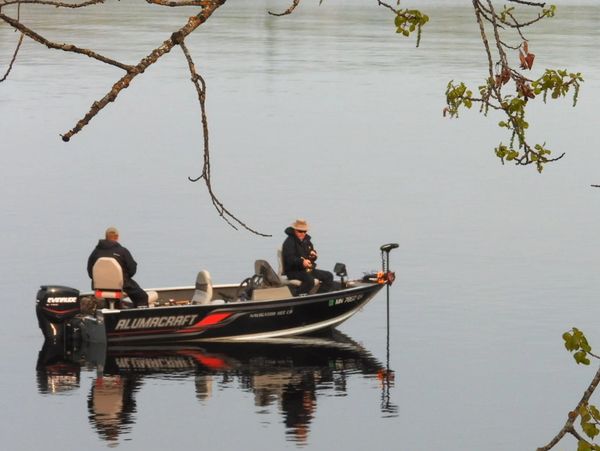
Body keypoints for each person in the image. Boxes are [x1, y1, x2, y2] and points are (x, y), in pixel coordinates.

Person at [87, 227, 149, 308]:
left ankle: (113, 312)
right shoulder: (122, 251)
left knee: (112, 300)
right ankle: (139, 317)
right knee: (142, 297)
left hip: (100, 287)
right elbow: (132, 269)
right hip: (122, 284)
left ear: (106, 237)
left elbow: (90, 271)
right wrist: (124, 277)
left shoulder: (95, 252)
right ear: (117, 237)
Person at [281, 219, 333, 295]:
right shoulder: (289, 242)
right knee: (310, 281)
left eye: (304, 231)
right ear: (294, 230)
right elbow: (290, 259)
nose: (302, 234)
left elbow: (311, 252)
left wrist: (313, 254)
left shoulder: (307, 240)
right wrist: (302, 262)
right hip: (294, 271)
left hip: (308, 270)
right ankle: (297, 299)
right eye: (300, 231)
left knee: (329, 276)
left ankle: (319, 297)